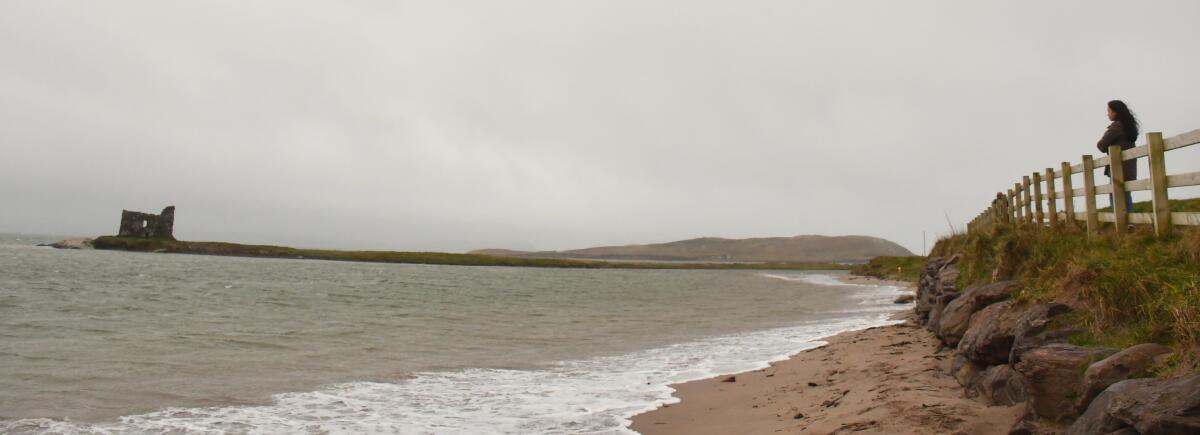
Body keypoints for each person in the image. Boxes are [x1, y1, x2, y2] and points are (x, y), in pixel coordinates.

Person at [1097, 100, 1138, 210]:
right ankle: (1129, 223)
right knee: (1125, 195)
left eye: (1109, 111)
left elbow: (1101, 145)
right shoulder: (1127, 126)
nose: (1107, 113)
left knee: (1117, 197)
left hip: (1118, 168)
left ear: (1116, 112)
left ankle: (1125, 224)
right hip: (1128, 167)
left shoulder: (1117, 126)